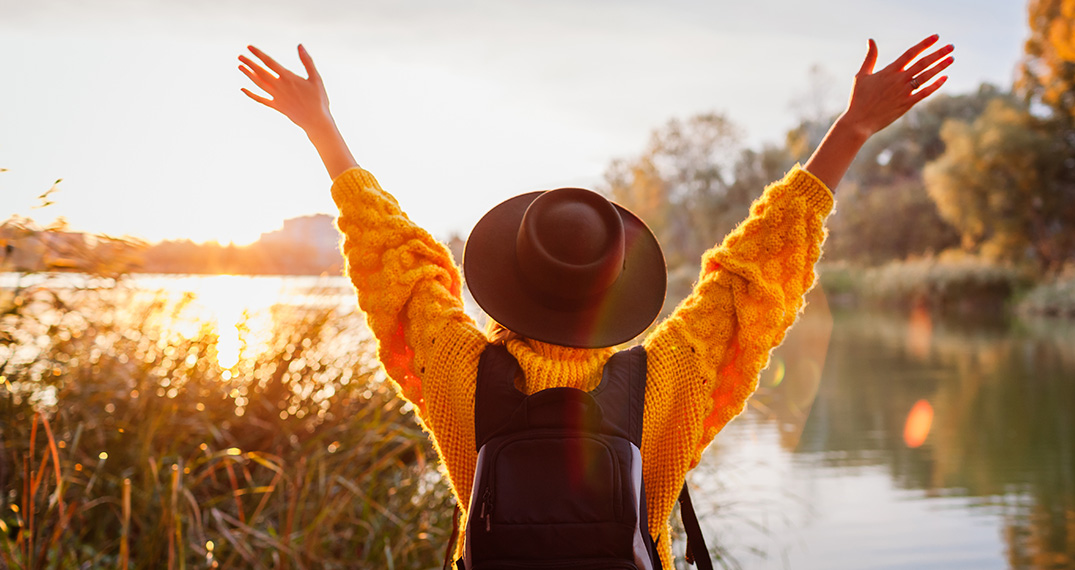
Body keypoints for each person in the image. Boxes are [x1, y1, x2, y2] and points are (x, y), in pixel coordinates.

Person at [239, 35, 954, 567]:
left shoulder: (458, 369)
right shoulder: (665, 377)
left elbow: (391, 256)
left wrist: (323, 129)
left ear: (509, 275)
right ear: (616, 288)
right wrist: (851, 130)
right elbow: (750, 272)